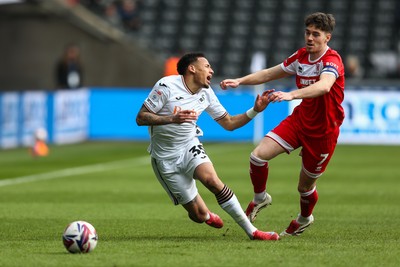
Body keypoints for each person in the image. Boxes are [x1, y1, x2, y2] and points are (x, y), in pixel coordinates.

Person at [220, 12, 345, 236]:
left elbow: (324, 86)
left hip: (323, 132)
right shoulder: (301, 56)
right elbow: (270, 73)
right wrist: (240, 80)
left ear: (327, 38)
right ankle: (260, 197)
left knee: (304, 188)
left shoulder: (331, 60)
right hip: (299, 121)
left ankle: (304, 218)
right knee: (257, 156)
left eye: (316, 34)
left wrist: (291, 95)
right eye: (307, 32)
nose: (309, 38)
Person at [136, 52, 279, 241]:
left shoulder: (207, 93)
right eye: (207, 66)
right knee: (197, 215)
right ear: (192, 68)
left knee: (212, 180)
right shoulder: (166, 86)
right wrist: (171, 118)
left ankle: (252, 231)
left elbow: (228, 123)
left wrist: (255, 110)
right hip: (165, 159)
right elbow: (141, 118)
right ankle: (206, 214)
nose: (211, 70)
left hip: (189, 146)